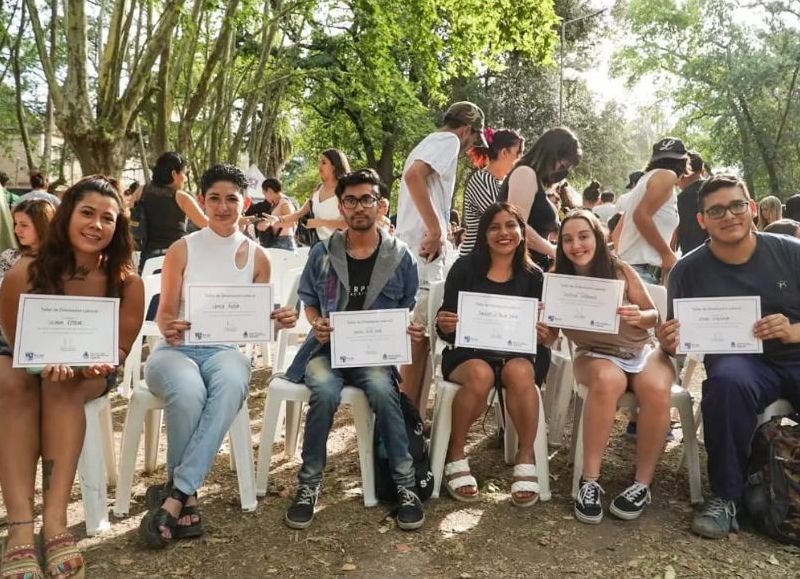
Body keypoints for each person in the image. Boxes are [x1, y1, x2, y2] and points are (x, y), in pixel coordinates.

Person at [137, 165, 296, 548]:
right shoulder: (182, 248)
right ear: (202, 201)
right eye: (214, 198)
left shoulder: (260, 257)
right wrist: (171, 325)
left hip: (225, 350)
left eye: (231, 199)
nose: (223, 207)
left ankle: (177, 493)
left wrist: (276, 320)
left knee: (231, 380)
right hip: (176, 350)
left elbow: (257, 324)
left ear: (243, 203)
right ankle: (185, 497)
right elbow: (165, 314)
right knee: (189, 390)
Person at [0, 175, 144, 578]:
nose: (96, 225)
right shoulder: (24, 272)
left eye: (107, 218)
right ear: (65, 217)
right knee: (11, 382)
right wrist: (39, 362)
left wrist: (97, 362)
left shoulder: (127, 282)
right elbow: (15, 342)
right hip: (23, 362)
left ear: (118, 228)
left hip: (90, 371)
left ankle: (57, 522)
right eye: (87, 213)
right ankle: (20, 529)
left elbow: (118, 349)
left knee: (62, 387)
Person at [283, 168, 427, 531]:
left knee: (382, 390)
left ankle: (405, 485)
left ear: (381, 205)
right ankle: (308, 484)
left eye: (367, 199)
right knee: (325, 390)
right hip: (326, 350)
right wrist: (317, 323)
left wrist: (405, 326)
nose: (359, 206)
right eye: (350, 200)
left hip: (373, 356)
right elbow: (310, 302)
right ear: (341, 206)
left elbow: (406, 304)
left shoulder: (401, 256)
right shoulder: (323, 252)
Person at [658, 174, 800, 539]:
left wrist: (792, 330)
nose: (729, 215)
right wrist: (669, 341)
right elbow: (677, 342)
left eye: (737, 205)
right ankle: (727, 497)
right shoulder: (687, 270)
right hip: (741, 363)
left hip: (796, 352)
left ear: (752, 209)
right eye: (716, 210)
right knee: (724, 384)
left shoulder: (790, 252)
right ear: (702, 220)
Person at [542, 209, 674, 524]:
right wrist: (542, 324)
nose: (576, 245)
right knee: (607, 379)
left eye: (583, 236)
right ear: (561, 245)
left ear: (598, 238)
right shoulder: (557, 278)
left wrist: (636, 316)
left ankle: (642, 484)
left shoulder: (619, 270)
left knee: (656, 387)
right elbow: (549, 338)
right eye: (568, 239)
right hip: (594, 352)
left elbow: (653, 317)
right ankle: (589, 481)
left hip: (641, 349)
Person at [436, 202, 551, 507]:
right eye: (494, 227)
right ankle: (457, 451)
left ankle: (525, 455)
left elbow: (547, 336)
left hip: (519, 355)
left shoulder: (534, 276)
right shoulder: (464, 269)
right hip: (469, 354)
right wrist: (445, 322)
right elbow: (446, 330)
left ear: (521, 232)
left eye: (511, 225)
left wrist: (545, 333)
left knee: (520, 372)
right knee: (480, 374)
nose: (504, 233)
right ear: (484, 235)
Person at [395, 101, 488, 410]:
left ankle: (411, 415)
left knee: (416, 335)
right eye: (474, 140)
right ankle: (407, 420)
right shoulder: (448, 140)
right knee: (417, 337)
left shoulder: (429, 141)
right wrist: (436, 230)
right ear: (466, 130)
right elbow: (413, 176)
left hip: (414, 249)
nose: (470, 148)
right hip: (423, 252)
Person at [497, 126, 583, 272]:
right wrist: (553, 251)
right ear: (550, 153)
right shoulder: (525, 173)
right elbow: (517, 226)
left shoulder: (537, 181)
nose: (560, 171)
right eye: (562, 165)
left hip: (533, 266)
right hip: (519, 269)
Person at [615, 138, 688, 284]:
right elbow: (640, 216)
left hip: (631, 270)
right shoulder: (668, 175)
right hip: (642, 272)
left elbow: (617, 232)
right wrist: (666, 253)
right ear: (683, 162)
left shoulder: (643, 182)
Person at [133, 152, 207, 273]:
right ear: (174, 174)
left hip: (147, 259)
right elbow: (206, 224)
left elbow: (128, 215)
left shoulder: (141, 191)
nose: (185, 178)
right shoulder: (181, 197)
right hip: (176, 257)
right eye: (184, 173)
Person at [460, 128, 525, 255]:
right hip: (476, 259)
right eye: (518, 153)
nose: (520, 159)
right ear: (504, 152)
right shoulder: (483, 179)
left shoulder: (502, 181)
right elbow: (501, 218)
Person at [275, 149, 350, 244]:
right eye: (319, 163)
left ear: (335, 166)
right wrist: (277, 219)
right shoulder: (318, 189)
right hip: (320, 246)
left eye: (324, 162)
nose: (319, 166)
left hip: (341, 247)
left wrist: (320, 222)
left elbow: (349, 224)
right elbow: (299, 214)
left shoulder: (345, 190)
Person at [0, 199, 56, 283]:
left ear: (43, 226)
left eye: (24, 225)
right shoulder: (9, 257)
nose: (17, 230)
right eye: (15, 224)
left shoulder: (61, 259)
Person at [675, 151, 709, 254]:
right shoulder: (721, 190)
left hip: (692, 260)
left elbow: (673, 239)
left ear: (684, 172)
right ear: (702, 170)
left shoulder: (678, 201)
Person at [254, 178, 297, 251]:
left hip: (283, 241)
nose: (265, 197)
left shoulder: (284, 203)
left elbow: (292, 222)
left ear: (270, 190)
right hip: (280, 240)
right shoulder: (276, 203)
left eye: (265, 193)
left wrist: (270, 223)